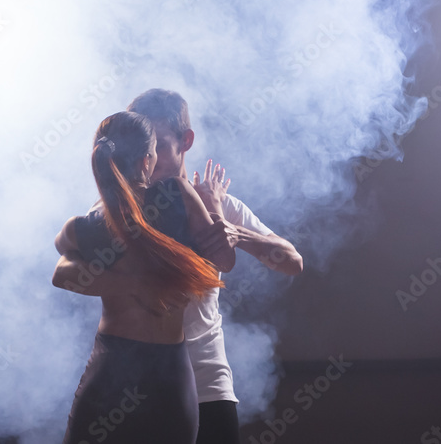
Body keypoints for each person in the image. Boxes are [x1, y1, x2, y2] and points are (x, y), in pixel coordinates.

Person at [54, 89, 303, 444]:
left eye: (159, 146)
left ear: (186, 141)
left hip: (206, 384)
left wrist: (236, 233)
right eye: (141, 150)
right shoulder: (116, 211)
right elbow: (63, 271)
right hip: (128, 377)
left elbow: (292, 261)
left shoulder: (218, 204)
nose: (149, 160)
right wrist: (135, 283)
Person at [54, 111, 236, 444]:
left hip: (111, 369)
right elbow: (223, 261)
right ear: (146, 161)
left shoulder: (89, 224)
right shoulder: (178, 194)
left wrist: (128, 281)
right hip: (170, 376)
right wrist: (215, 207)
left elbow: (61, 270)